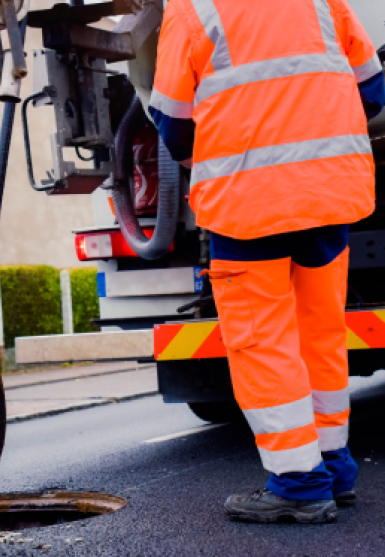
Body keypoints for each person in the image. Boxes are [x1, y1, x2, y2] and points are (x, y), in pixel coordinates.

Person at [149, 0, 385, 523]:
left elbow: (172, 122)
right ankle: (333, 466)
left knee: (263, 342)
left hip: (247, 205)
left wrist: (221, 151)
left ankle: (299, 485)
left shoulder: (191, 10)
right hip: (329, 195)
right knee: (321, 333)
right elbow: (372, 91)